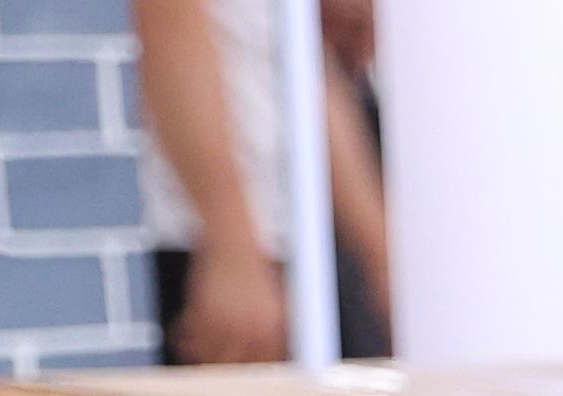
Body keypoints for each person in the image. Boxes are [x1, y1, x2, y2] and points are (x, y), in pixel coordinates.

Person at [134, 0, 385, 365]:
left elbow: (301, 62)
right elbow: (169, 28)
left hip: (296, 246)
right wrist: (232, 249)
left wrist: (379, 255)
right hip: (207, 244)